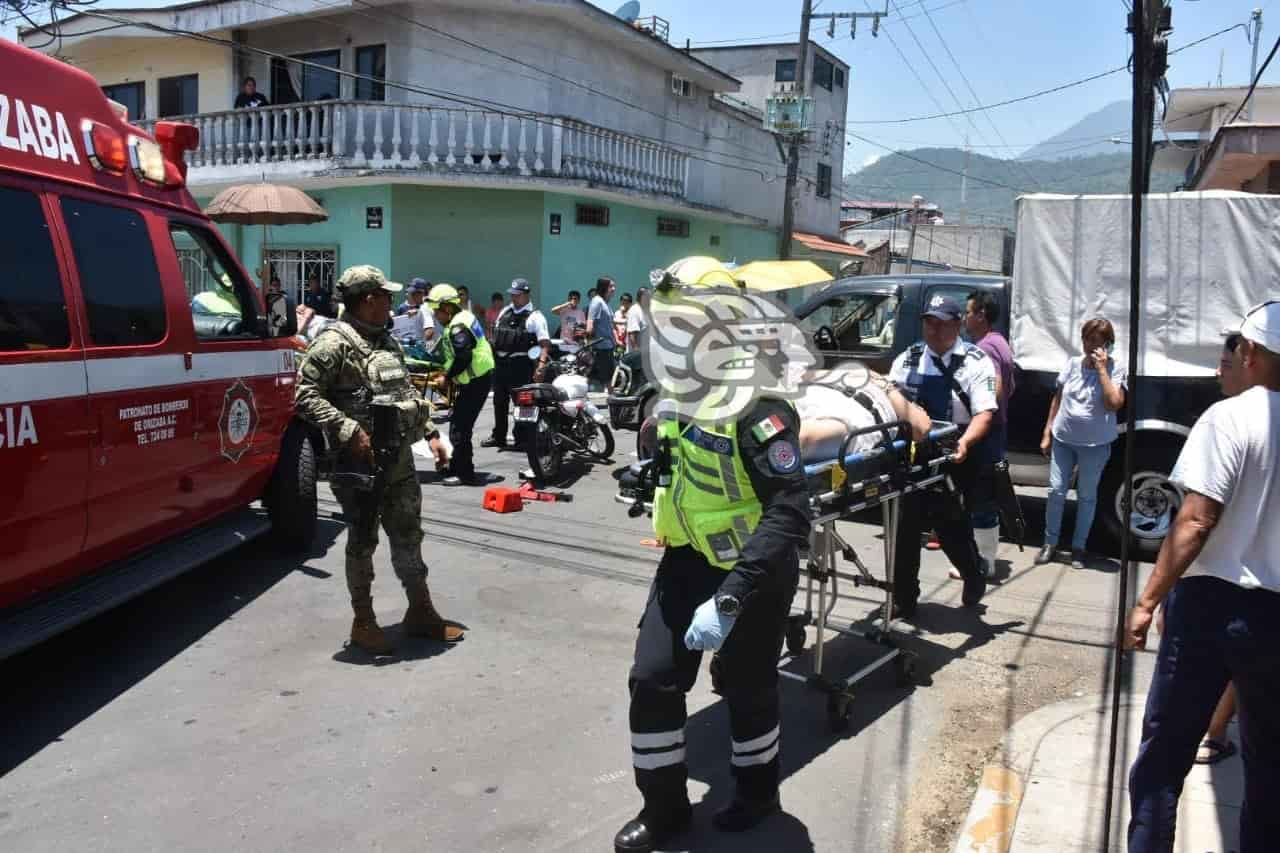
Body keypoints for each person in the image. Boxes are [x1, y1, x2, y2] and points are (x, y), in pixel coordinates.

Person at [617, 391, 811, 852]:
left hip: (753, 569)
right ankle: (663, 808)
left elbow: (790, 509)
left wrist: (731, 596)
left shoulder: (758, 410)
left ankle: (758, 792)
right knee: (652, 677)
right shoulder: (674, 397)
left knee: (747, 682)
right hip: (687, 559)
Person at [1124, 301, 1280, 853]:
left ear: (1253, 354)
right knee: (1269, 776)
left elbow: (1195, 521)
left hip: (1212, 606)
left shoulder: (1231, 417)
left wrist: (1147, 601)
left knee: (1162, 764)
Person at [293, 265, 461, 654]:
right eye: (386, 295)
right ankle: (363, 621)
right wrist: (348, 429)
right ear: (369, 299)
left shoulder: (386, 341)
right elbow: (304, 396)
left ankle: (420, 610)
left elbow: (404, 394)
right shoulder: (334, 344)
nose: (392, 302)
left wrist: (432, 434)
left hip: (400, 463)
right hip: (360, 468)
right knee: (362, 542)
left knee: (409, 538)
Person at [887, 295, 995, 618]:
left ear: (957, 324)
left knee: (949, 524)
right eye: (928, 322)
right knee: (904, 526)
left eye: (941, 323)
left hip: (957, 451)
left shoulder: (976, 361)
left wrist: (965, 444)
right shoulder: (908, 358)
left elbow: (985, 413)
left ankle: (973, 573)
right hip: (913, 451)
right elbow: (889, 396)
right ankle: (904, 598)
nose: (933, 330)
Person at [1036, 317, 1127, 569]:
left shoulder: (1115, 369)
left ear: (1107, 345)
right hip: (1064, 439)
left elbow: (1113, 403)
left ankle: (1079, 547)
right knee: (1056, 490)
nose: (1089, 345)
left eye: (1095, 341)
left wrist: (1101, 370)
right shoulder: (1072, 364)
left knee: (1086, 496)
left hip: (1095, 445)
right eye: (1086, 339)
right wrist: (1047, 431)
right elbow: (1057, 399)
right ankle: (1050, 543)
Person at [956, 290, 1015, 579]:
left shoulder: (986, 348)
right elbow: (1011, 387)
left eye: (968, 312)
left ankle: (983, 563)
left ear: (981, 315)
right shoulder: (1000, 342)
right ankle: (985, 559)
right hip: (997, 430)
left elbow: (1000, 387)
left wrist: (978, 410)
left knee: (980, 497)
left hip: (986, 432)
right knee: (987, 495)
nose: (964, 317)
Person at [426, 283, 495, 486]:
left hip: (476, 381)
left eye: (436, 311)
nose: (436, 316)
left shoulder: (457, 326)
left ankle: (466, 474)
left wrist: (447, 377)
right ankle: (457, 466)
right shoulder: (463, 317)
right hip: (476, 380)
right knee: (458, 424)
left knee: (460, 428)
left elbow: (463, 355)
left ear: (447, 308)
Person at [483, 278, 550, 451]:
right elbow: (497, 335)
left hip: (520, 366)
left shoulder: (535, 317)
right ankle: (499, 436)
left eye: (517, 295)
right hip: (500, 364)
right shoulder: (505, 311)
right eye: (512, 295)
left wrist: (541, 365)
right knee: (499, 402)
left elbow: (544, 344)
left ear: (527, 295)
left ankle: (522, 438)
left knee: (522, 404)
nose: (514, 298)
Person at [587, 277, 617, 391]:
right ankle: (614, 402)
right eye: (611, 286)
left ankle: (580, 397)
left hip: (607, 345)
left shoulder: (605, 303)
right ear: (604, 287)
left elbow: (609, 322)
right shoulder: (597, 301)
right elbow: (590, 322)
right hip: (601, 347)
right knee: (609, 378)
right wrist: (589, 342)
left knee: (590, 376)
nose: (614, 289)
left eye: (614, 286)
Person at [627, 287, 650, 353]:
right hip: (637, 357)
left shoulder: (644, 310)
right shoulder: (634, 311)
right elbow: (632, 335)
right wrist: (637, 354)